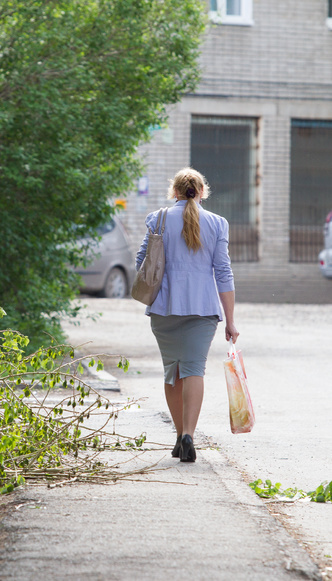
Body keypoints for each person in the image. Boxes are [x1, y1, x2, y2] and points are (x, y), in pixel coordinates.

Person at [135, 167, 239, 463]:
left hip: (164, 308)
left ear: (175, 192)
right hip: (203, 309)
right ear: (202, 192)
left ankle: (179, 433)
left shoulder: (158, 218)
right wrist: (230, 320)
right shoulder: (218, 223)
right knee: (195, 369)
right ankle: (189, 435)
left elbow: (142, 261)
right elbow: (223, 272)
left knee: (173, 371)